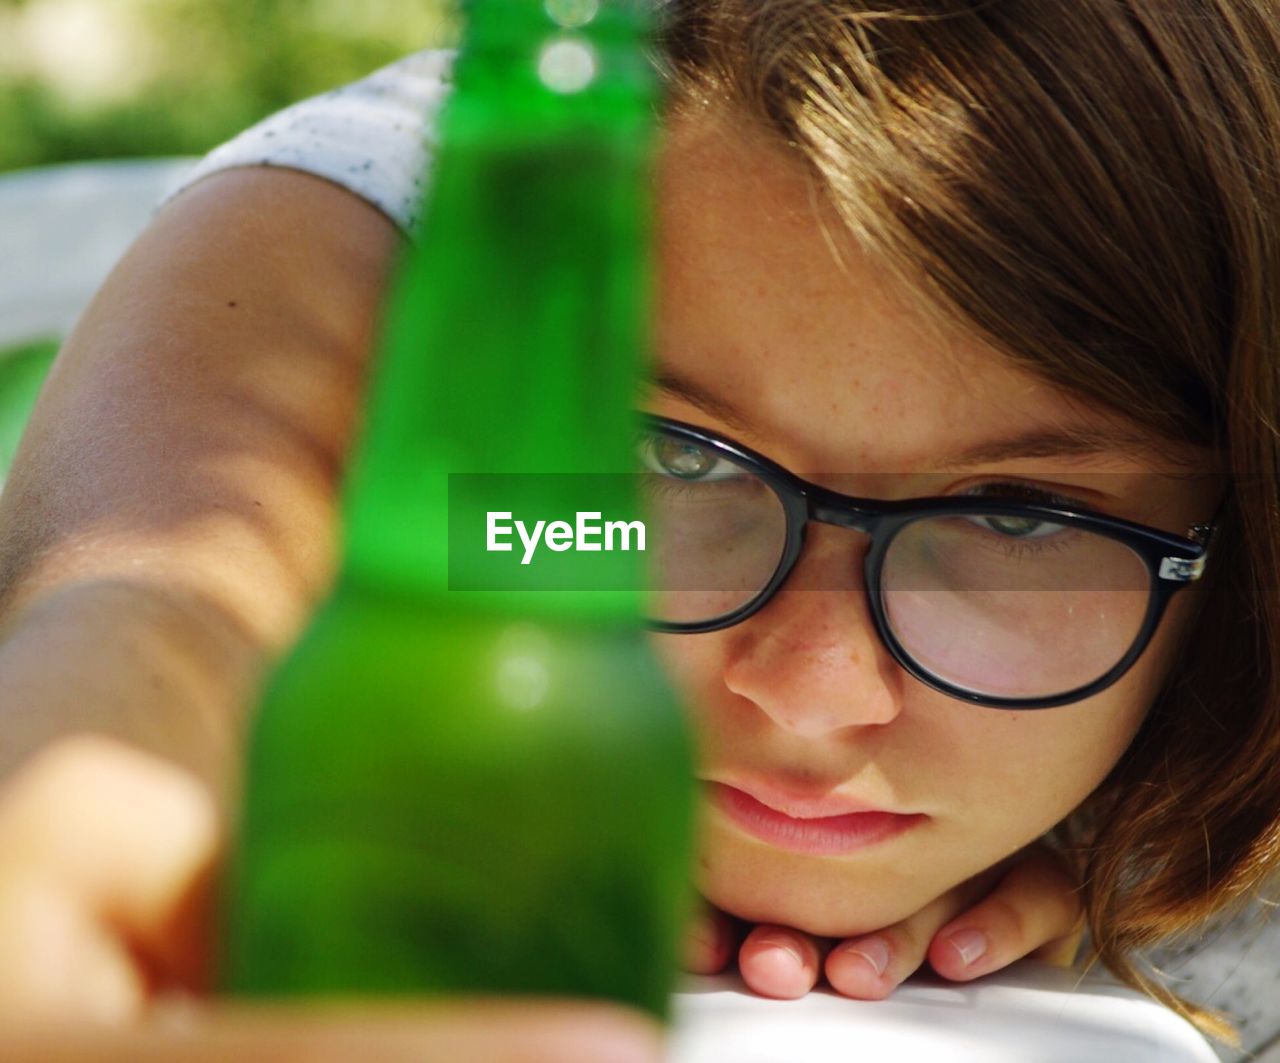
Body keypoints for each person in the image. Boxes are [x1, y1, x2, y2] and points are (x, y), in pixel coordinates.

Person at [0, 0, 1276, 1057]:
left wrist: (1131, 837)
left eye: (1017, 517)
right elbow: (170, 595)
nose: (809, 696)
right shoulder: (495, 206)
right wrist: (92, 806)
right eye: (675, 457)